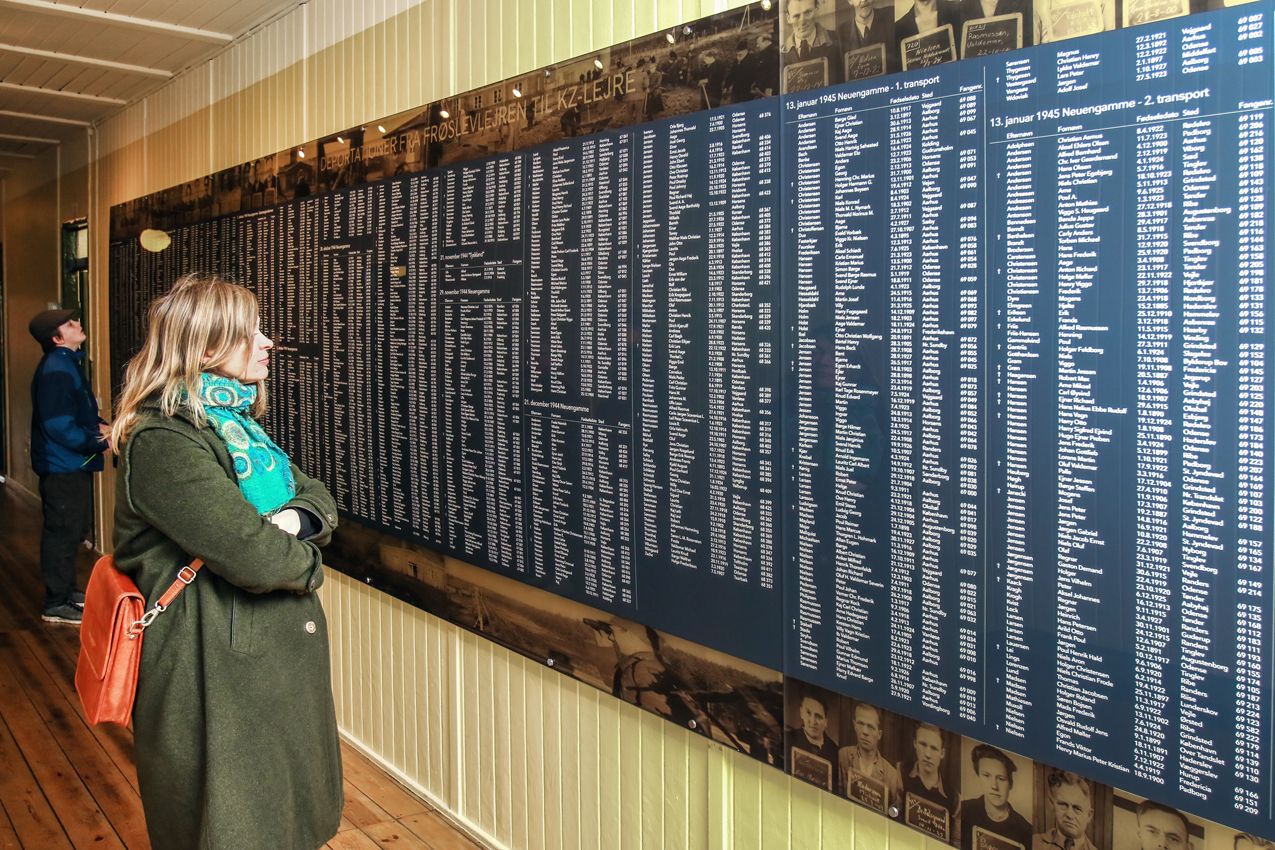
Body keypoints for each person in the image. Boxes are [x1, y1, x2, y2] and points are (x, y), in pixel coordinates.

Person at [110, 274, 342, 850]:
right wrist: (306, 561)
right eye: (250, 333)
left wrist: (291, 523)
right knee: (229, 823)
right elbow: (255, 559)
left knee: (279, 816)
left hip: (255, 658)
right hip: (211, 665)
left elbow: (317, 498)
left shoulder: (234, 426)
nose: (268, 342)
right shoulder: (165, 438)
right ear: (207, 346)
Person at [28, 309, 110, 625]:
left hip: (72, 464)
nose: (78, 324)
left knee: (73, 528)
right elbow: (59, 424)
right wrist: (97, 441)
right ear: (57, 338)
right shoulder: (57, 367)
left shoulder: (66, 363)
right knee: (62, 532)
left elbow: (77, 413)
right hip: (62, 466)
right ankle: (55, 602)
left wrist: (100, 426)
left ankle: (67, 592)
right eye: (70, 324)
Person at [958, 743, 1033, 849]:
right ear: (978, 777)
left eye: (1001, 779)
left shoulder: (1026, 831)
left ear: (1010, 784)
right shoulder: (962, 810)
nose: (994, 786)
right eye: (986, 776)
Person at [838, 701, 903, 807]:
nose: (865, 732)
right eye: (860, 724)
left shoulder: (892, 775)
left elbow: (895, 811)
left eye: (871, 727)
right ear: (854, 725)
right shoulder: (843, 756)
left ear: (879, 734)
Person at [781, 0, 844, 87]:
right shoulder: (779, 55)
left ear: (817, 10)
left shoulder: (838, 41)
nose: (802, 22)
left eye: (808, 13)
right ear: (788, 18)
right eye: (796, 16)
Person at [901, 722, 954, 822]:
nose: (928, 754)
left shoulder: (954, 797)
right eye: (923, 744)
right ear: (915, 743)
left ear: (942, 753)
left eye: (934, 748)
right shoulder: (899, 772)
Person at [1033, 771, 1096, 850]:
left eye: (1077, 808)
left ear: (1089, 815)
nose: (1069, 815)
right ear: (1053, 805)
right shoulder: (1034, 843)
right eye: (1063, 804)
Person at [788, 692, 840, 786]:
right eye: (808, 713)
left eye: (818, 716)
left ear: (826, 722)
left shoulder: (835, 752)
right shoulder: (788, 739)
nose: (813, 721)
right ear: (801, 712)